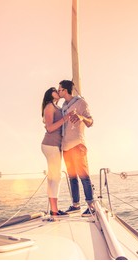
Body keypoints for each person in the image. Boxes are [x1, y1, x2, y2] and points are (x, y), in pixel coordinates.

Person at [58, 80, 95, 216]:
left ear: (66, 90)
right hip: (66, 146)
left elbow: (91, 122)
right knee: (72, 177)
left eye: (60, 89)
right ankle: (76, 205)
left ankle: (91, 206)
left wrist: (80, 117)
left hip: (78, 145)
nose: (58, 91)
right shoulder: (63, 106)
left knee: (84, 176)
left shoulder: (81, 103)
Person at [41, 87, 71, 217]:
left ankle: (54, 210)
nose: (57, 91)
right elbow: (50, 128)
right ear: (49, 94)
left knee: (53, 178)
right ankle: (54, 210)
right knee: (56, 177)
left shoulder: (56, 106)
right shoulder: (49, 106)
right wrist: (66, 118)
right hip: (50, 144)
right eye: (54, 90)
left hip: (54, 145)